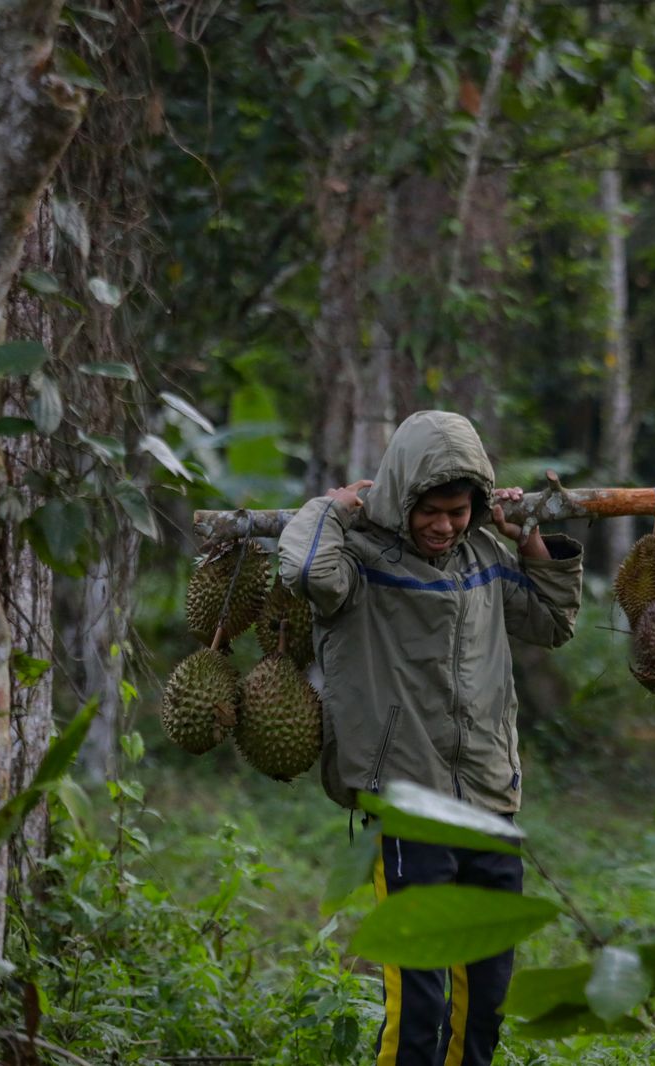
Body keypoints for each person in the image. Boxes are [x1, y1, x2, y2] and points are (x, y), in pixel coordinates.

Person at [277, 409, 584, 1066]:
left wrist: (527, 538)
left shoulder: (483, 557)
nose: (445, 526)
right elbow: (305, 574)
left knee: (487, 995)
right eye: (431, 511)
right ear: (401, 497)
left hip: (491, 800)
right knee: (419, 1000)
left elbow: (555, 622)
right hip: (411, 802)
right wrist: (331, 510)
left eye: (459, 510)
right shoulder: (358, 563)